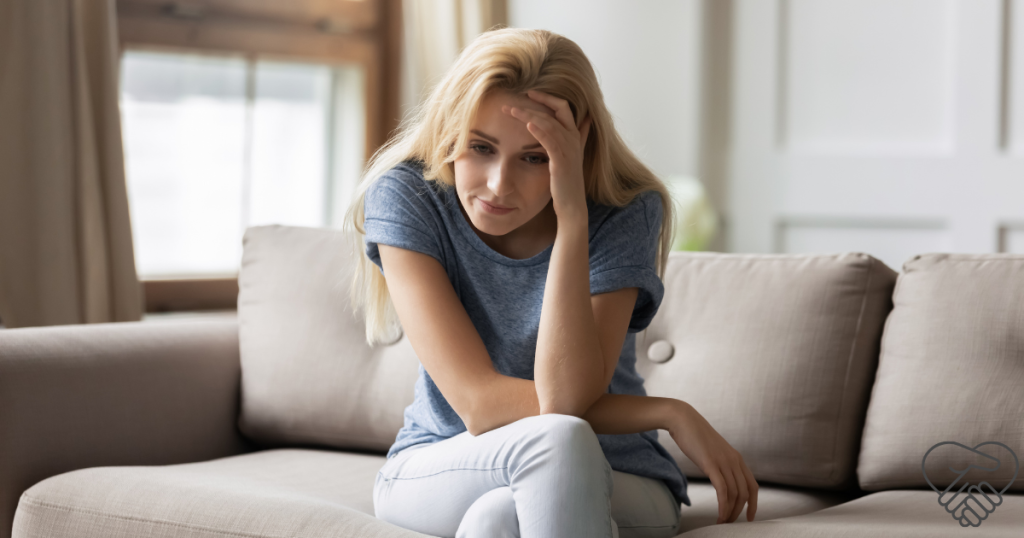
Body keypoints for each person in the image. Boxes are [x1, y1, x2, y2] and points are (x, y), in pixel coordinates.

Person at [343, 27, 757, 538]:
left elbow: (566, 396)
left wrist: (573, 219)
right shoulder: (409, 196)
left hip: (621, 474)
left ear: (576, 149)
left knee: (501, 514)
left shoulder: (624, 212)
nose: (498, 185)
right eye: (480, 147)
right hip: (441, 462)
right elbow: (481, 404)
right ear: (450, 131)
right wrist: (666, 412)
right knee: (557, 439)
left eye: (534, 157)